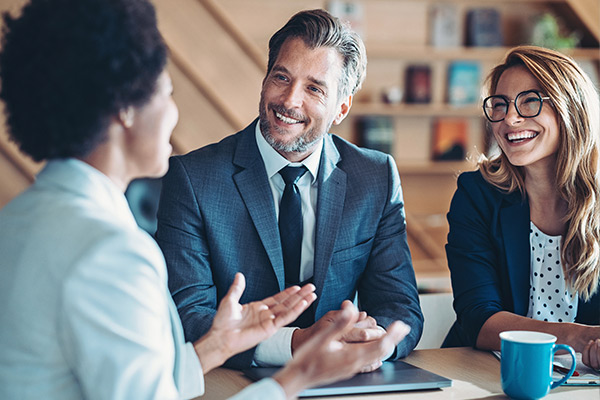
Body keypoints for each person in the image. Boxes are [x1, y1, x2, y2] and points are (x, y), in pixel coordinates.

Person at [0, 1, 411, 399]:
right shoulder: (112, 252)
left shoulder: (15, 219)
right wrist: (300, 374)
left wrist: (217, 344)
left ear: (341, 106)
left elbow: (137, 381)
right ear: (125, 108)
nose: (174, 113)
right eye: (167, 91)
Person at [155, 8, 423, 370]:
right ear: (265, 79)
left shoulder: (375, 177)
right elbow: (187, 316)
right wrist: (297, 344)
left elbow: (400, 305)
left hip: (344, 381)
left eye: (314, 88)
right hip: (229, 381)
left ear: (341, 108)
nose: (290, 100)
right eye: (281, 77)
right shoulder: (193, 179)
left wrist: (373, 343)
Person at [443, 45, 600, 369]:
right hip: (486, 373)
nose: (510, 118)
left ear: (571, 107)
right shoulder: (477, 194)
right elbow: (478, 318)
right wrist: (578, 337)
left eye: (530, 101)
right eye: (500, 105)